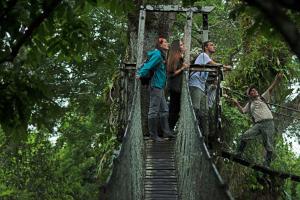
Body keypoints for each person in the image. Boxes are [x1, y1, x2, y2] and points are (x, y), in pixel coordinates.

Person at [232, 73, 283, 167]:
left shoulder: (263, 98)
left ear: (257, 92)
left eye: (254, 90)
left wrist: (277, 80)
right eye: (251, 91)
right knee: (246, 135)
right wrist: (236, 104)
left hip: (268, 123)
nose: (253, 91)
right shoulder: (250, 104)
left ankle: (266, 164)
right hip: (258, 124)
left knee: (268, 144)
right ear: (249, 95)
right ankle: (238, 153)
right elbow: (243, 111)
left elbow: (270, 89)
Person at [136, 36, 175, 141]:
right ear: (160, 45)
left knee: (164, 110)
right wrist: (140, 74)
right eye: (166, 42)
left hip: (160, 86)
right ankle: (153, 135)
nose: (168, 44)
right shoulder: (157, 55)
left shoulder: (162, 55)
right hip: (155, 85)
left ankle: (166, 132)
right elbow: (148, 65)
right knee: (154, 110)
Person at [188, 41, 217, 137]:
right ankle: (192, 131)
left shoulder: (207, 58)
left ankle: (204, 134)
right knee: (195, 107)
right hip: (195, 84)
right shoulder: (203, 55)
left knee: (204, 111)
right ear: (205, 47)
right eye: (211, 45)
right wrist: (225, 66)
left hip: (202, 86)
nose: (213, 46)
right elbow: (214, 64)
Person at [167, 39, 188, 130]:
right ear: (177, 47)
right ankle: (168, 129)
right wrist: (183, 68)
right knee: (174, 109)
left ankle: (169, 129)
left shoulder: (179, 56)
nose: (183, 46)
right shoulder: (175, 57)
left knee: (175, 109)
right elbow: (172, 73)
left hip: (177, 87)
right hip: (175, 86)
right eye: (181, 45)